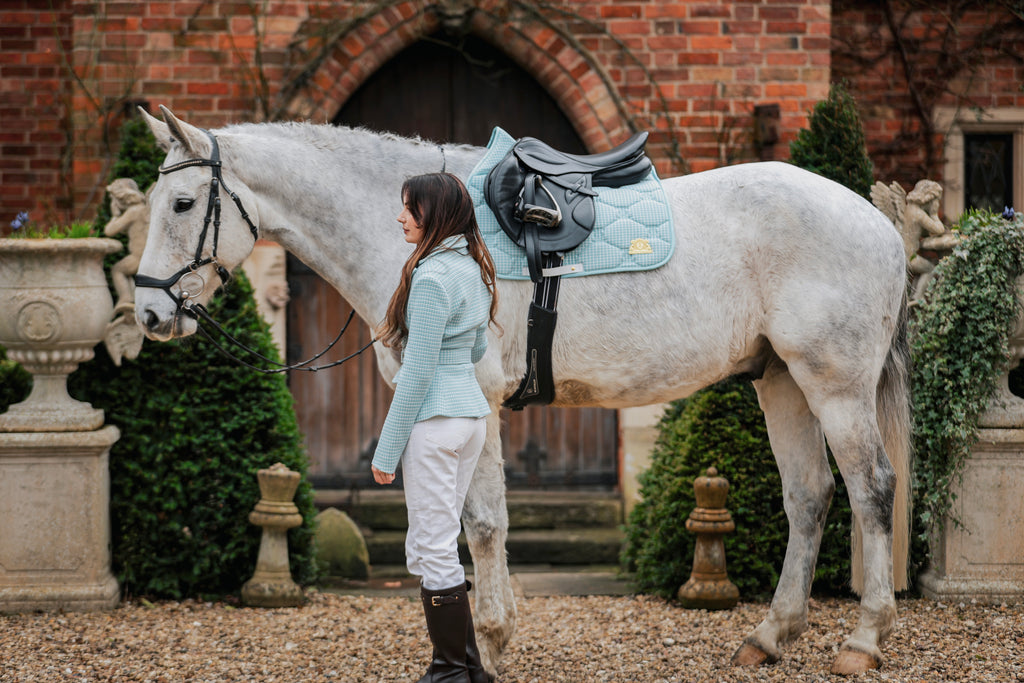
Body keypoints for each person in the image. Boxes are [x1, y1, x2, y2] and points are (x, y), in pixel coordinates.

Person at [372, 172, 499, 683]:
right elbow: (475, 350)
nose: (401, 217)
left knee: (434, 545)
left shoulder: (428, 277)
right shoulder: (473, 268)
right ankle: (469, 667)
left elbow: (418, 371)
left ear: (435, 215)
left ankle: (447, 671)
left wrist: (386, 451)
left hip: (435, 423)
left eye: (411, 208)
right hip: (469, 419)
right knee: (442, 540)